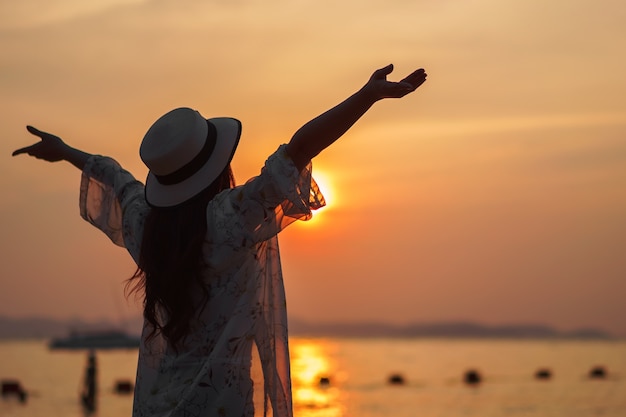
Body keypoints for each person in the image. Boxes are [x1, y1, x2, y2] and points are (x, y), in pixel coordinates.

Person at [13, 64, 427, 417]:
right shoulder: (228, 220)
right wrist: (366, 97)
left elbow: (114, 176)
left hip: (156, 405)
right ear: (216, 167)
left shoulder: (146, 228)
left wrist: (64, 150)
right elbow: (297, 150)